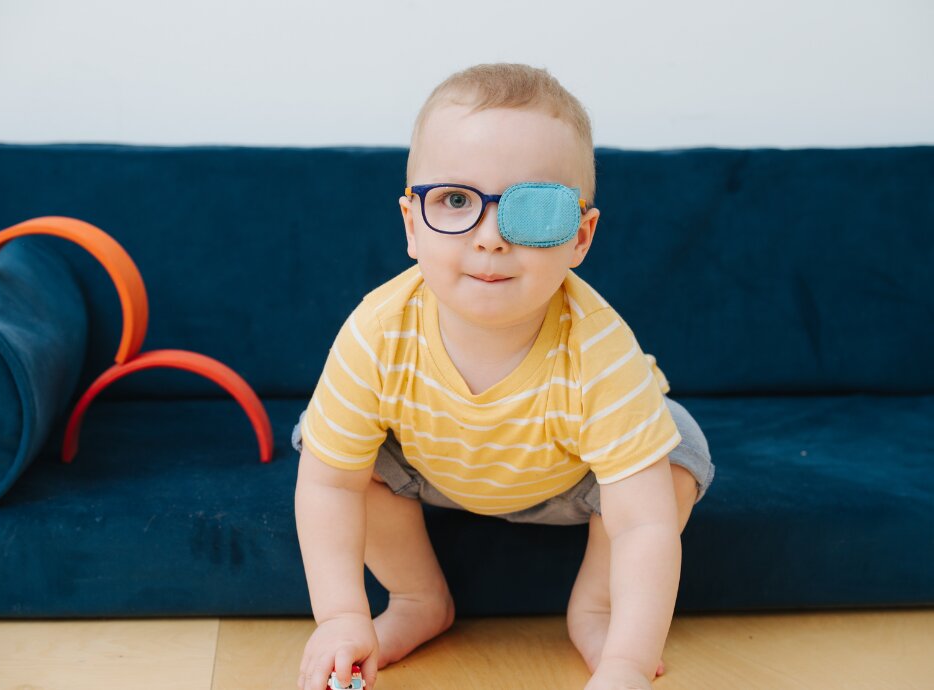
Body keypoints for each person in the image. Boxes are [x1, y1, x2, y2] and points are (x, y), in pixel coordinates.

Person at [292, 62, 715, 690]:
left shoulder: (599, 350)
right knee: (321, 439)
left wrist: (628, 663)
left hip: (574, 481)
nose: (490, 238)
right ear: (411, 225)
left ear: (580, 237)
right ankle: (417, 597)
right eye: (456, 200)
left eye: (533, 209)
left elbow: (641, 525)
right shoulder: (377, 331)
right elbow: (329, 486)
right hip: (432, 469)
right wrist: (340, 617)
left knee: (674, 455)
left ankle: (596, 610)